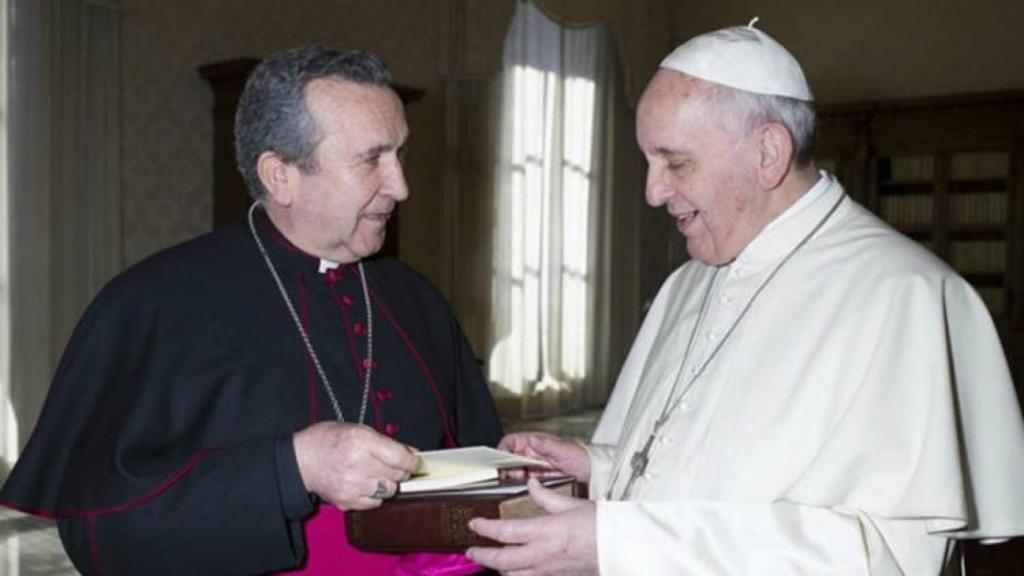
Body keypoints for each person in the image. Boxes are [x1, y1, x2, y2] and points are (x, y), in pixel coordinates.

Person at [466, 23, 1024, 575]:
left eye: (676, 162)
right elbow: (710, 471)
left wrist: (623, 544)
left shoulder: (907, 297)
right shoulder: (688, 283)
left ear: (768, 153)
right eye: (648, 162)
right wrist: (599, 466)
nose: (652, 191)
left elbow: (881, 558)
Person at [0, 46, 502, 575]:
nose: (401, 186)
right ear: (280, 175)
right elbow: (101, 534)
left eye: (400, 153)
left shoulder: (414, 298)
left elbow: (476, 471)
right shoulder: (154, 304)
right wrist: (291, 468)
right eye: (371, 159)